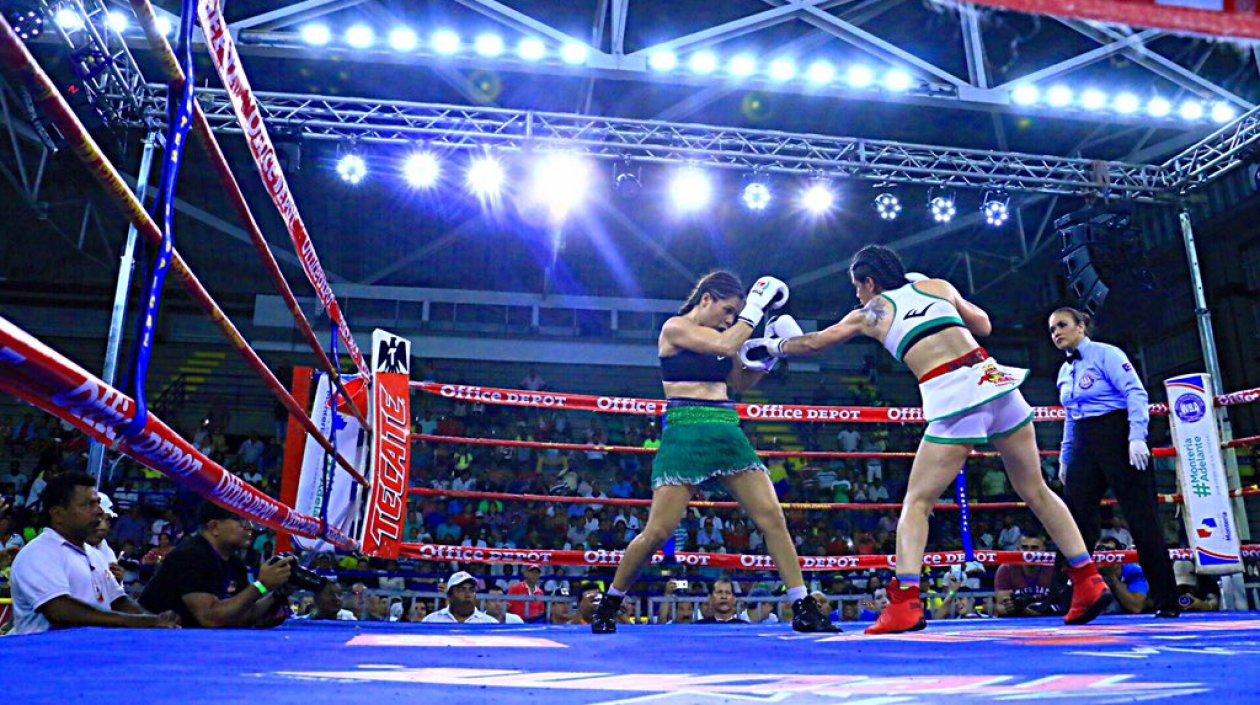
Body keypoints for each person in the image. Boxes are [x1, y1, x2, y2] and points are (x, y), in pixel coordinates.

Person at [748, 245, 1111, 634]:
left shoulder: (872, 312)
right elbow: (984, 325)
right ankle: (1088, 579)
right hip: (998, 385)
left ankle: (904, 601)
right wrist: (942, 297)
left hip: (957, 396)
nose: (856, 294)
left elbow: (815, 342)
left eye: (857, 286)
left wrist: (774, 346)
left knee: (918, 503)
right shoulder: (936, 286)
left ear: (870, 282)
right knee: (1036, 489)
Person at [591, 270, 835, 633]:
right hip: (686, 430)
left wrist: (769, 354)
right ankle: (609, 603)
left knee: (772, 517)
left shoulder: (726, 337)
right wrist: (754, 308)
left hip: (725, 428)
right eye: (727, 311)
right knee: (658, 531)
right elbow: (724, 346)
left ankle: (801, 605)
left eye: (735, 315)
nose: (730, 320)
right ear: (706, 298)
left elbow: (739, 381)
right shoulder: (675, 328)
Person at [1049, 306, 1179, 617]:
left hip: (1118, 434)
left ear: (1081, 327)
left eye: (1062, 325)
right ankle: (1066, 598)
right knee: (1074, 519)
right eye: (1052, 329)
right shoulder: (1064, 371)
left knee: (1142, 518)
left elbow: (1135, 392)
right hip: (1084, 441)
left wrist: (1136, 436)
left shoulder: (1108, 354)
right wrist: (1066, 458)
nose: (1056, 333)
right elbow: (1070, 416)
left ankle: (1166, 600)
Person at [10, 472, 180, 634]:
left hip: (89, 656)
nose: (99, 511)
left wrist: (156, 622)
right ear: (58, 514)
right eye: (89, 504)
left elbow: (118, 601)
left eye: (98, 503)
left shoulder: (95, 554)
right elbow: (61, 610)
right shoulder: (38, 553)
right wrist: (144, 622)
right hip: (45, 659)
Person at [139, 502, 295, 628]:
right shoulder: (190, 555)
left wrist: (276, 594)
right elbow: (209, 618)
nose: (250, 527)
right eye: (241, 520)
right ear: (214, 527)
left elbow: (243, 614)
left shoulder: (235, 563)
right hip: (152, 642)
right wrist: (261, 585)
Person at [994, 535, 1058, 617]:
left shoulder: (1055, 569)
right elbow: (1000, 606)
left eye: (1034, 548)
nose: (1029, 552)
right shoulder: (1006, 569)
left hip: (1050, 619)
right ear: (1018, 549)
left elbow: (1062, 603)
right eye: (1024, 548)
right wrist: (1011, 608)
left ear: (1043, 550)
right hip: (1017, 622)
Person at [1095, 537, 1149, 614]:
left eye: (1109, 551)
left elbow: (1136, 607)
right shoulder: (1091, 570)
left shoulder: (1134, 571)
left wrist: (1111, 576)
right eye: (1099, 551)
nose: (1105, 558)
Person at [422, 571, 498, 623]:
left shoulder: (490, 623)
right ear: (449, 596)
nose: (468, 593)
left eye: (471, 589)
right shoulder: (431, 620)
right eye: (461, 589)